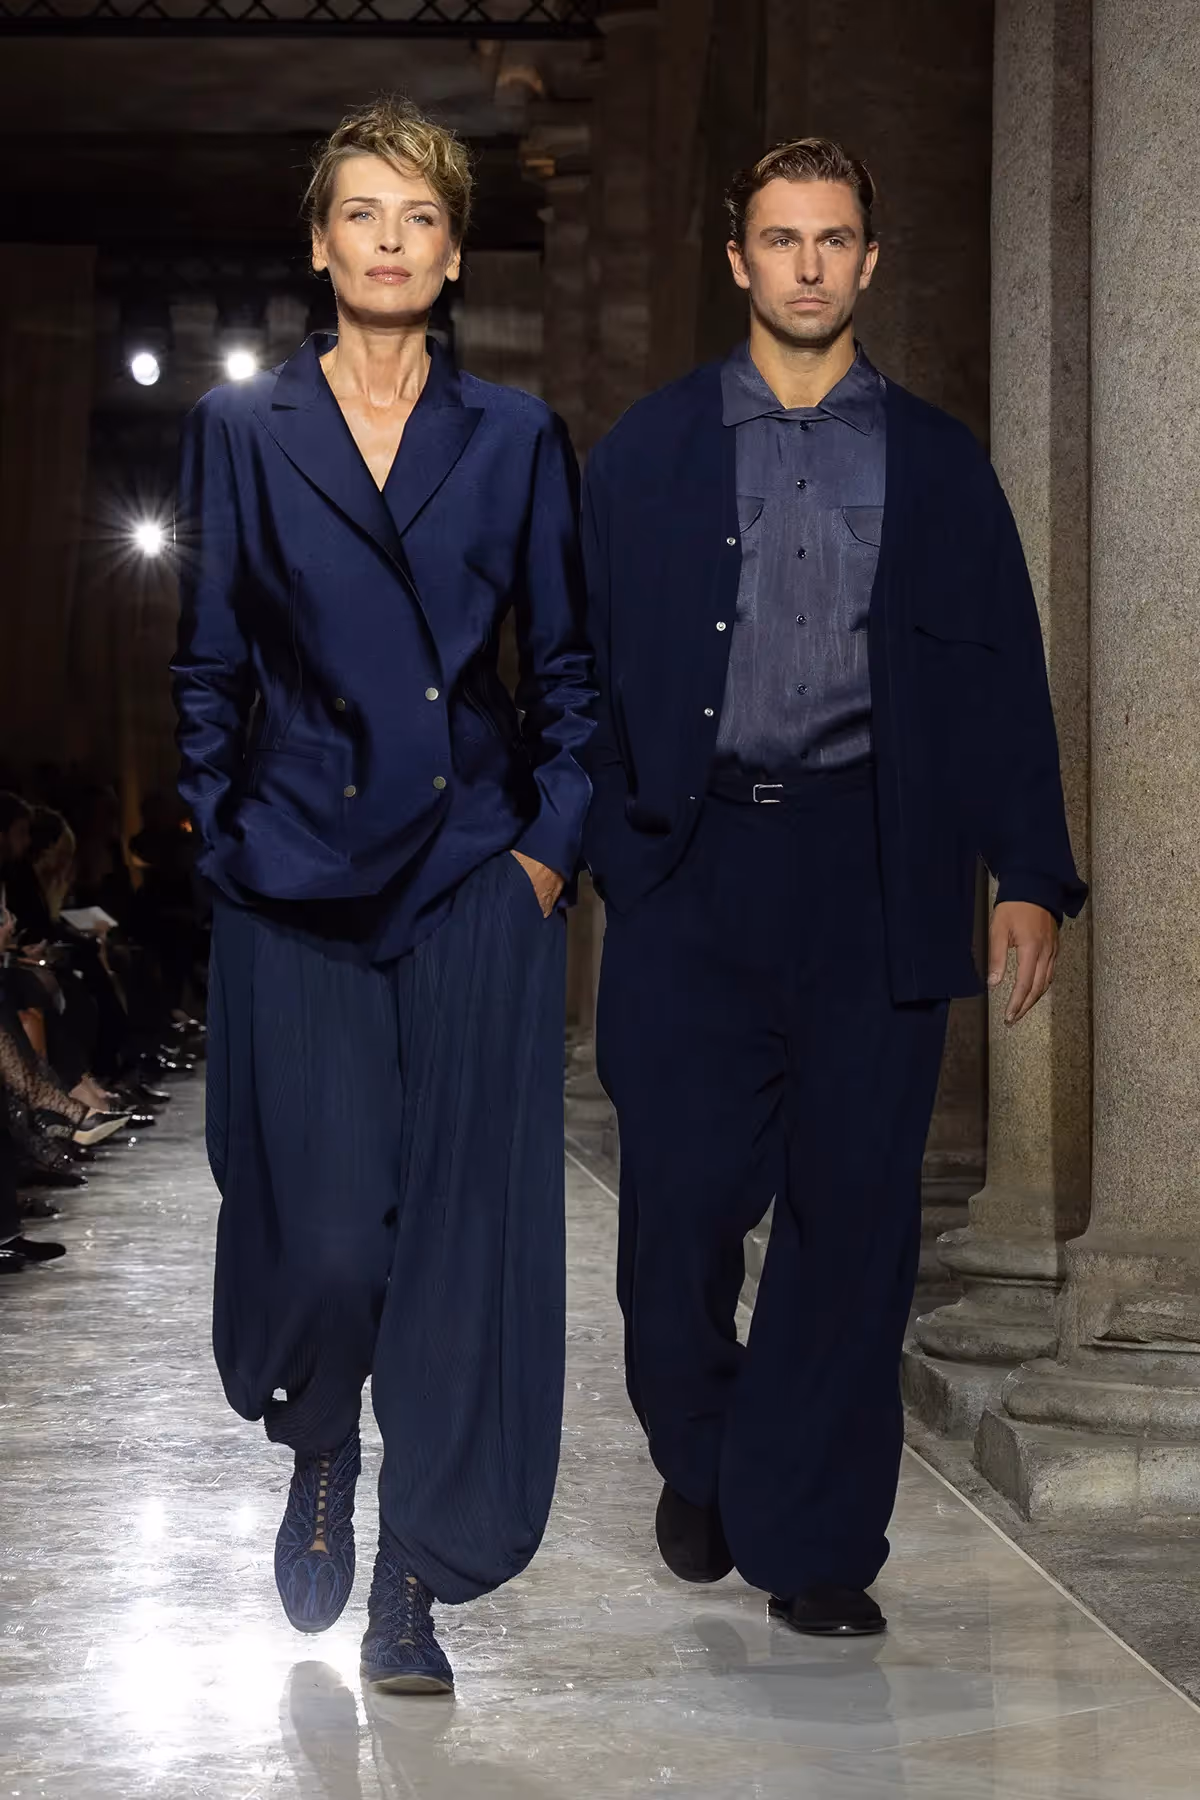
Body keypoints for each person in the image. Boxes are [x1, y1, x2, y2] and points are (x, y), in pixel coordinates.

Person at [581, 138, 1086, 1638]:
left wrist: (1029, 870)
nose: (809, 264)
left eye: (836, 238)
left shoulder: (937, 463)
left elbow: (999, 673)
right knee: (678, 1211)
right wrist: (604, 842)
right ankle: (704, 1452)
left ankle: (813, 1546)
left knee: (854, 1222)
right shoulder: (650, 451)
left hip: (877, 869)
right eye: (782, 238)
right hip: (692, 871)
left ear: (870, 260)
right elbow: (577, 663)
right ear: (739, 259)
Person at [173, 97, 593, 1693]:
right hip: (293, 872)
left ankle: (412, 1580)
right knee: (336, 1238)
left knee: (456, 1248)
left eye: (420, 216)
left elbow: (566, 669)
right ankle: (323, 1445)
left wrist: (547, 849)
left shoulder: (515, 436)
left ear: (455, 252)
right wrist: (221, 830)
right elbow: (206, 660)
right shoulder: (244, 428)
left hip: (474, 870)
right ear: (320, 243)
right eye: (363, 212)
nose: (391, 240)